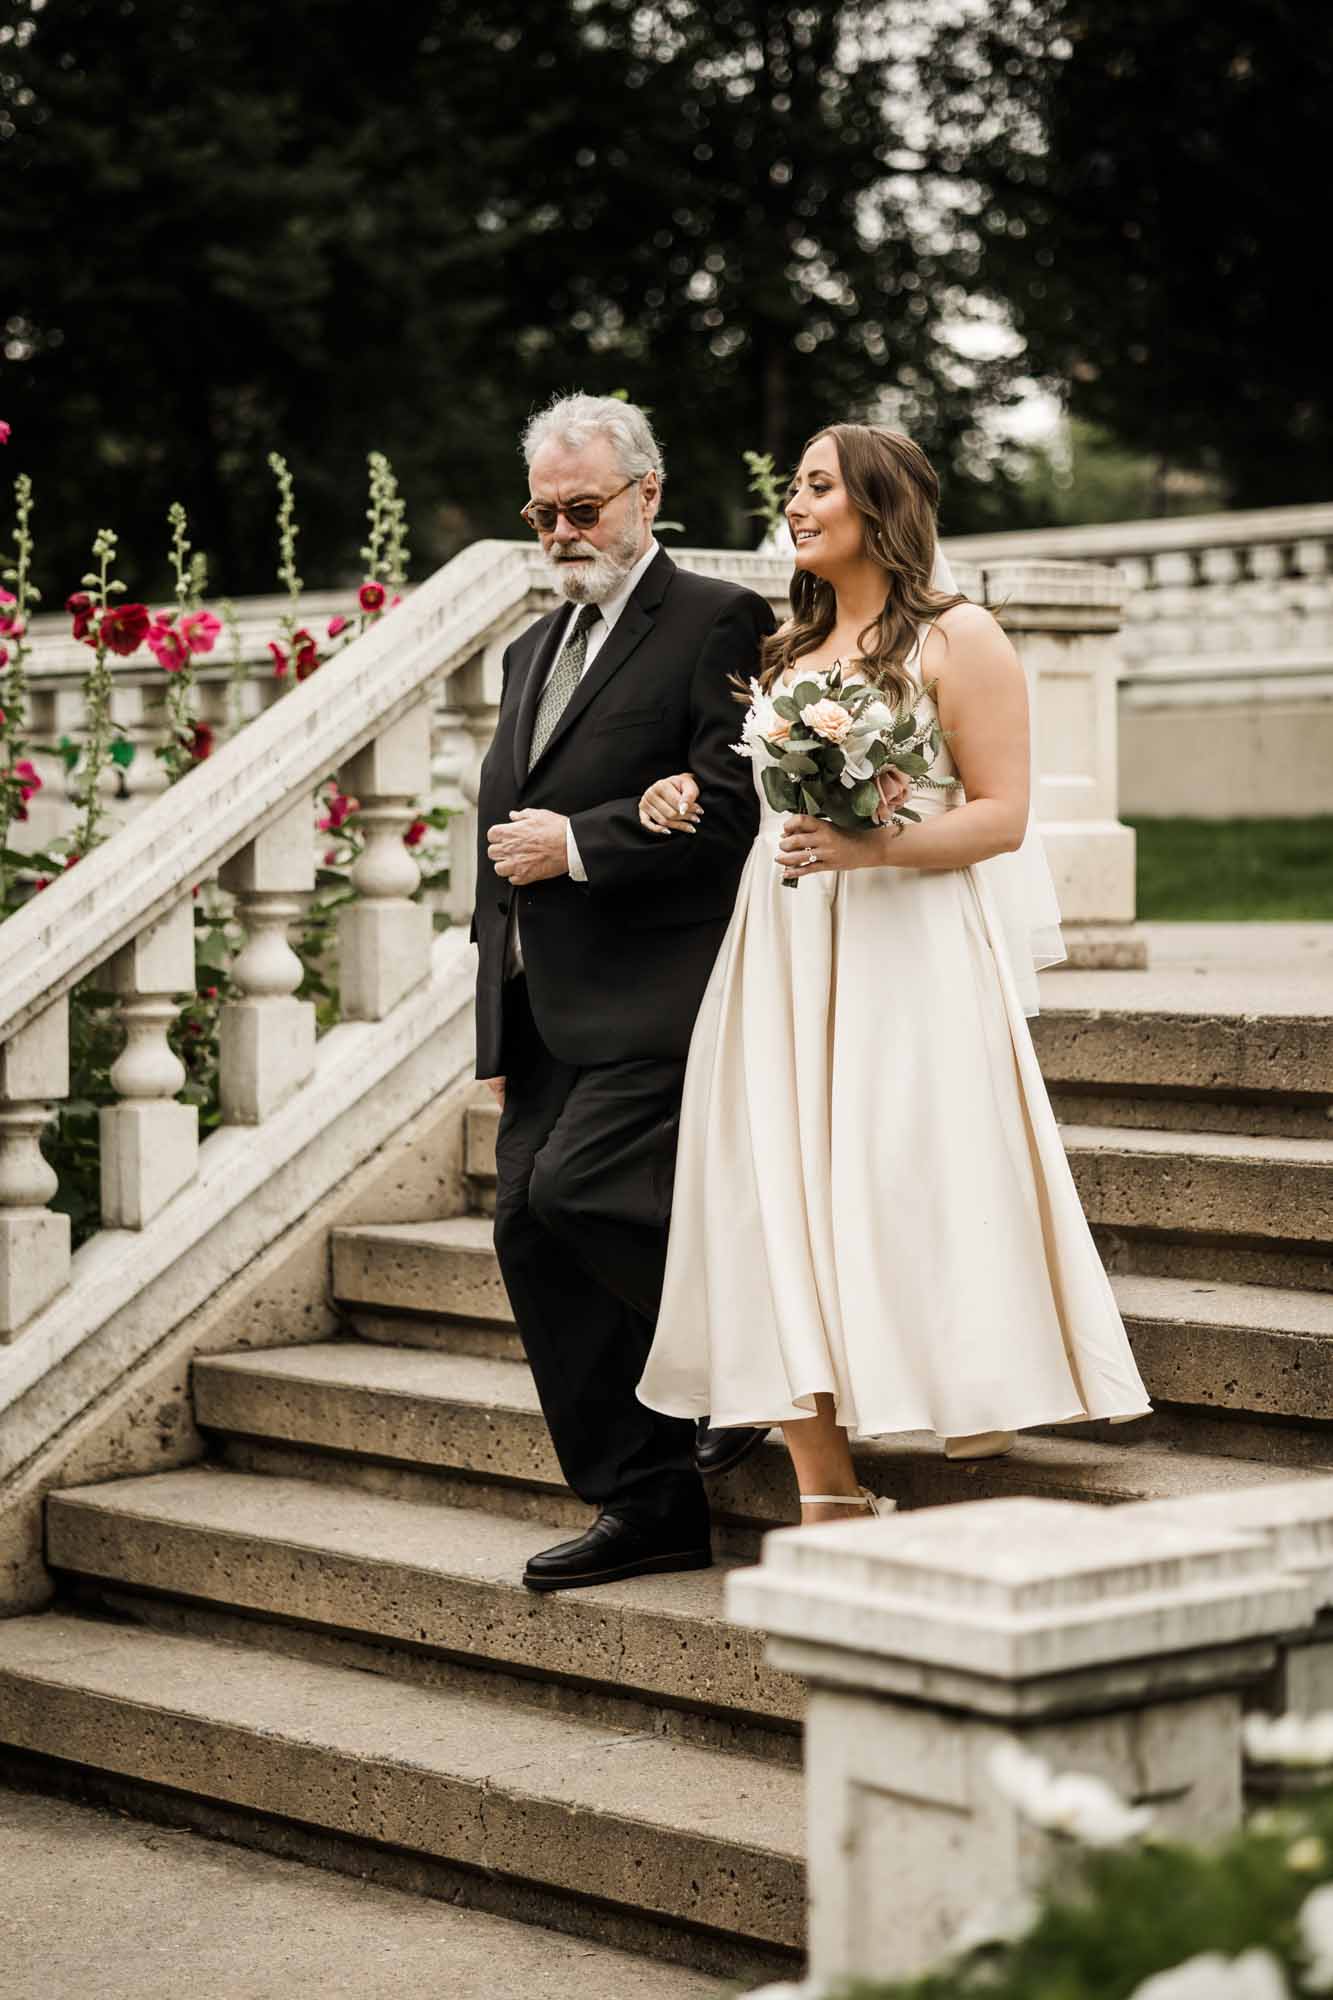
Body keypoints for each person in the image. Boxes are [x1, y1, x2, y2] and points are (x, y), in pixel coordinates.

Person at [635, 422, 1151, 1525]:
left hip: (905, 942)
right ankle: (824, 1484)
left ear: (877, 503)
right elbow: (765, 804)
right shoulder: (785, 652)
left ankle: (962, 1381)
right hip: (780, 943)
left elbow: (1003, 817)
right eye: (793, 486)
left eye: (817, 484)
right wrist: (679, 801)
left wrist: (870, 848)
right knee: (768, 1186)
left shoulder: (960, 639)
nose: (795, 503)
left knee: (904, 1174)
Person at [472, 393, 775, 1590]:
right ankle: (645, 1500)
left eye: (581, 507)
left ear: (647, 495)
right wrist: (494, 1018)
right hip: (545, 1005)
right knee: (524, 1229)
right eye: (542, 512)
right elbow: (498, 841)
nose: (560, 530)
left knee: (584, 1189)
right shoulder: (527, 650)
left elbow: (730, 804)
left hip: (664, 985)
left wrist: (586, 842)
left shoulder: (718, 618)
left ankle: (747, 1362)